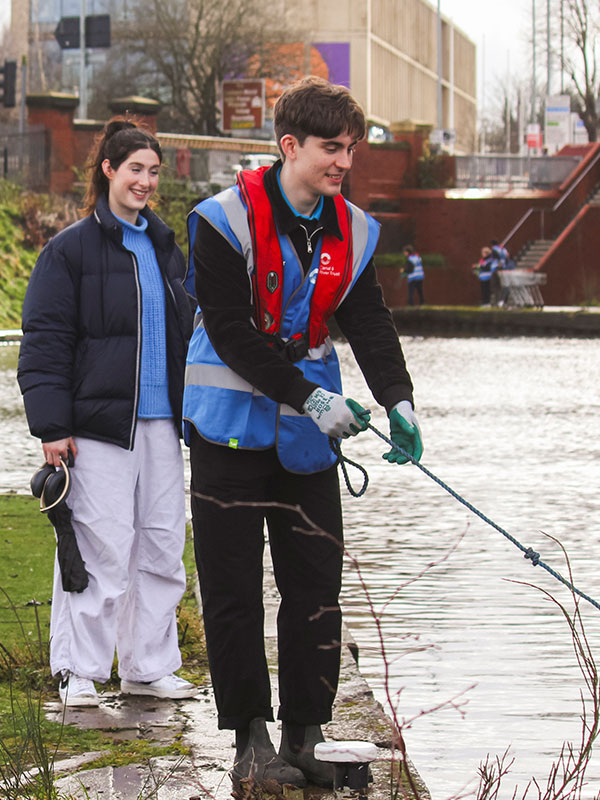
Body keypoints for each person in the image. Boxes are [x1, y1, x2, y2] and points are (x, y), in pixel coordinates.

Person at [183, 76, 423, 790]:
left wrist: (400, 400)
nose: (344, 161)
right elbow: (227, 330)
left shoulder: (354, 228)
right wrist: (306, 397)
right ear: (289, 146)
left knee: (315, 587)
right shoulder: (221, 222)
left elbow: (370, 322)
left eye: (350, 148)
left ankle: (307, 734)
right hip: (226, 434)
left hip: (306, 444)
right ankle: (251, 742)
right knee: (232, 592)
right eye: (330, 148)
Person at [17, 118, 196, 707]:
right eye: (135, 169)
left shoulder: (168, 251)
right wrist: (52, 427)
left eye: (153, 172)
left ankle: (148, 666)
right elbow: (44, 342)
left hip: (163, 425)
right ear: (108, 171)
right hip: (96, 431)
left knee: (163, 545)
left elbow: (188, 338)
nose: (144, 181)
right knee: (99, 547)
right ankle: (80, 672)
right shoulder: (67, 251)